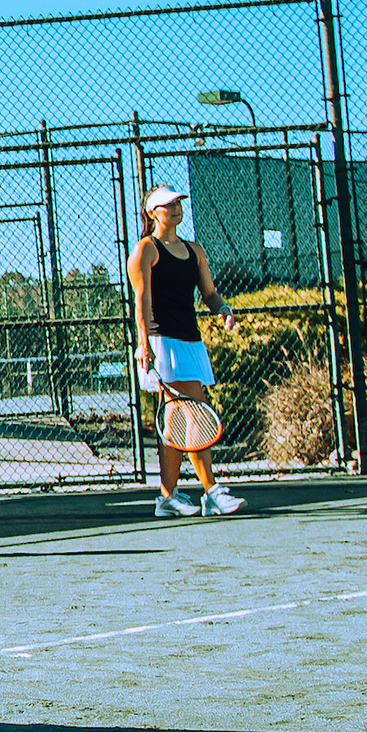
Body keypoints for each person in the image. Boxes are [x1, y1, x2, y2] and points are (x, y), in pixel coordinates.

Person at [126, 186, 245, 518]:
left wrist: (224, 309)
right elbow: (142, 301)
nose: (176, 209)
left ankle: (167, 497)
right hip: (162, 342)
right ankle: (212, 492)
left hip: (191, 341)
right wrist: (144, 343)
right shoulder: (145, 250)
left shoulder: (195, 250)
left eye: (178, 203)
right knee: (195, 412)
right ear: (153, 213)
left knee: (177, 422)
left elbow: (209, 292)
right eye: (168, 205)